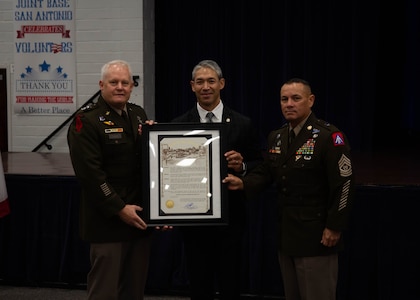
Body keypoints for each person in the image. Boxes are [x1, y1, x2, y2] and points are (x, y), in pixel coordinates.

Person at [223, 77, 354, 300]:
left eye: (296, 98)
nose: (289, 104)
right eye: (284, 99)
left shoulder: (328, 136)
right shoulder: (278, 136)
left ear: (310, 100)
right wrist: (244, 182)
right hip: (287, 234)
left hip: (317, 236)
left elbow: (344, 185)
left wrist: (334, 226)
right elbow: (267, 171)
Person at [172, 59, 263, 300]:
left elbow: (260, 165)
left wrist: (242, 165)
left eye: (211, 81)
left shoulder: (243, 124)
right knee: (199, 286)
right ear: (192, 86)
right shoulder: (176, 126)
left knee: (231, 285)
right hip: (193, 222)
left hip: (231, 220)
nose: (205, 87)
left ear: (221, 84)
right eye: (199, 82)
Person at [67, 59, 155, 300]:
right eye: (113, 82)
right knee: (104, 292)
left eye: (125, 82)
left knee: (134, 291)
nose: (120, 87)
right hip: (107, 222)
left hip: (138, 219)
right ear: (101, 85)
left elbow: (147, 166)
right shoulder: (86, 121)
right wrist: (119, 208)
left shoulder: (138, 115)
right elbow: (91, 175)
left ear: (132, 86)